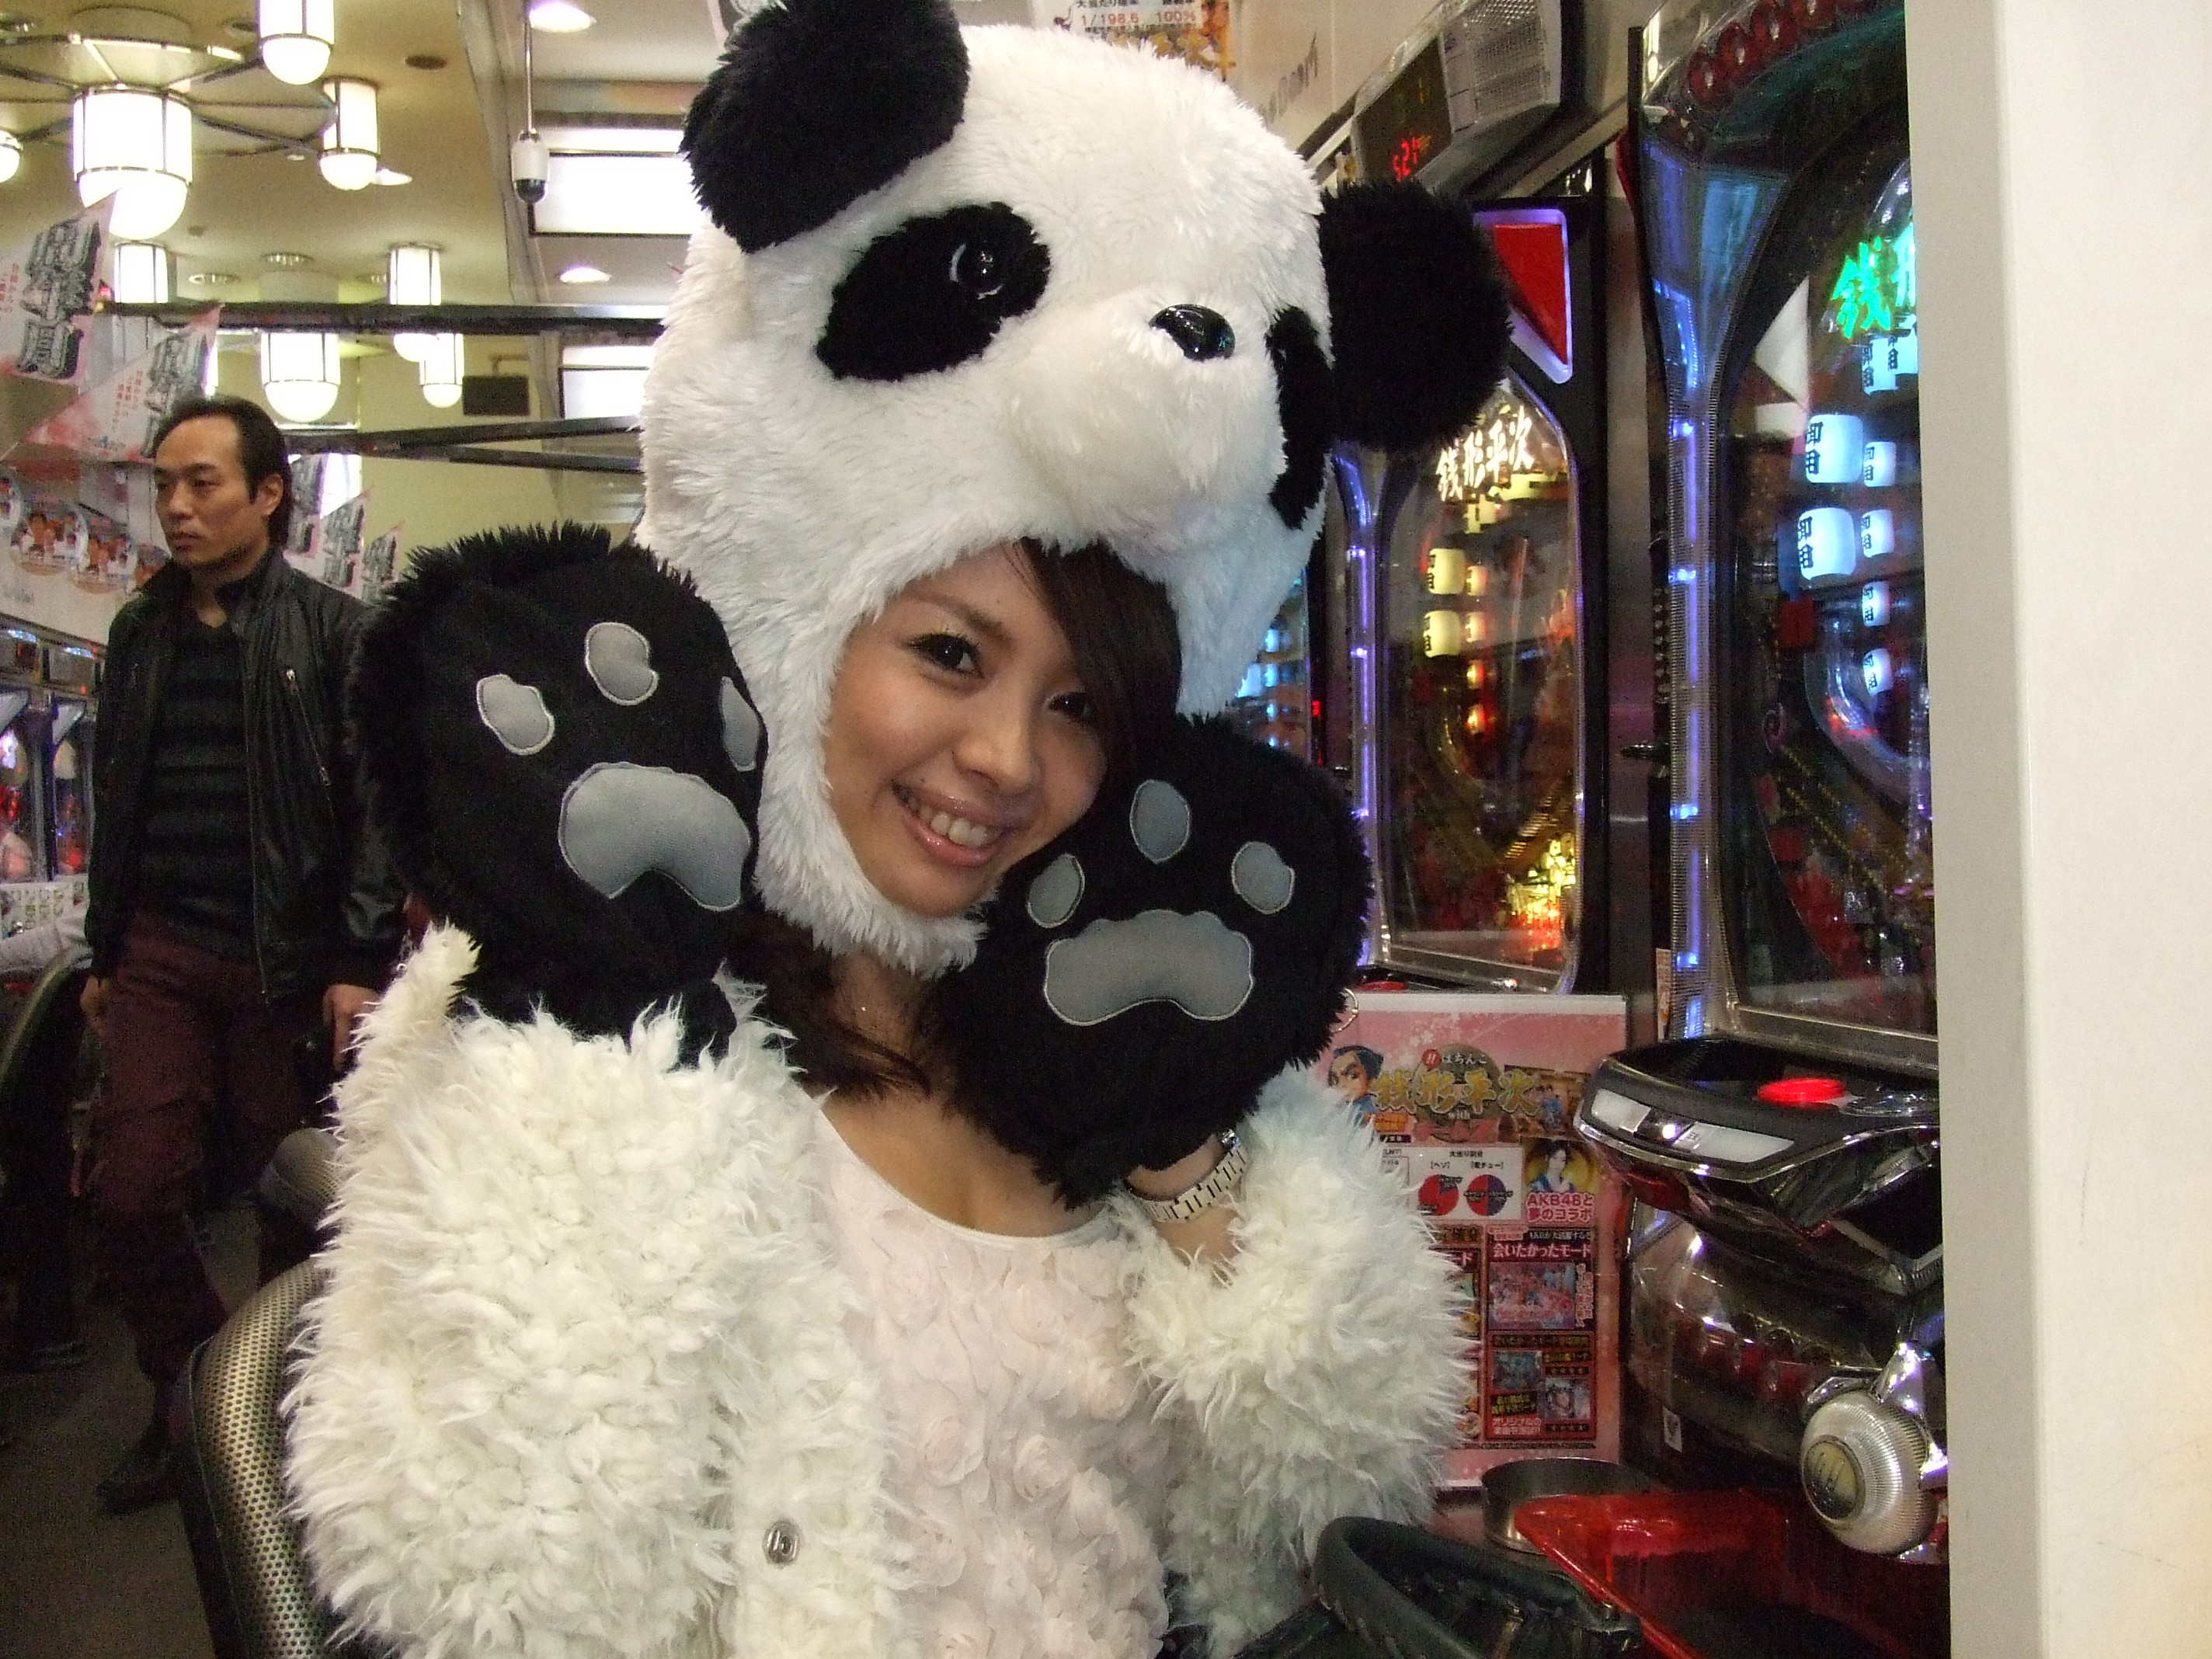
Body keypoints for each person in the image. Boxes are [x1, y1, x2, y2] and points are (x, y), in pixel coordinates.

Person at [284, 2, 1513, 1652]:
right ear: (803, 621)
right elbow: (487, 1581)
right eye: (947, 654)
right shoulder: (583, 1010)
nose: (1004, 760)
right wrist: (587, 1047)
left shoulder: (1141, 995)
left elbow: (1330, 1514)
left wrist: (1184, 1146)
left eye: (1079, 704)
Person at [78, 393, 402, 1515]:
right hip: (162, 944)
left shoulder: (335, 632)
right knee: (130, 1192)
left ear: (268, 494)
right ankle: (193, 1400)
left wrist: (358, 957)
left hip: (289, 959)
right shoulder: (139, 633)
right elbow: (115, 794)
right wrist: (105, 950)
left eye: (202, 483)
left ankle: (285, 1423)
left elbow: (376, 810)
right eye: (164, 484)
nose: (176, 506)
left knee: (294, 1197)